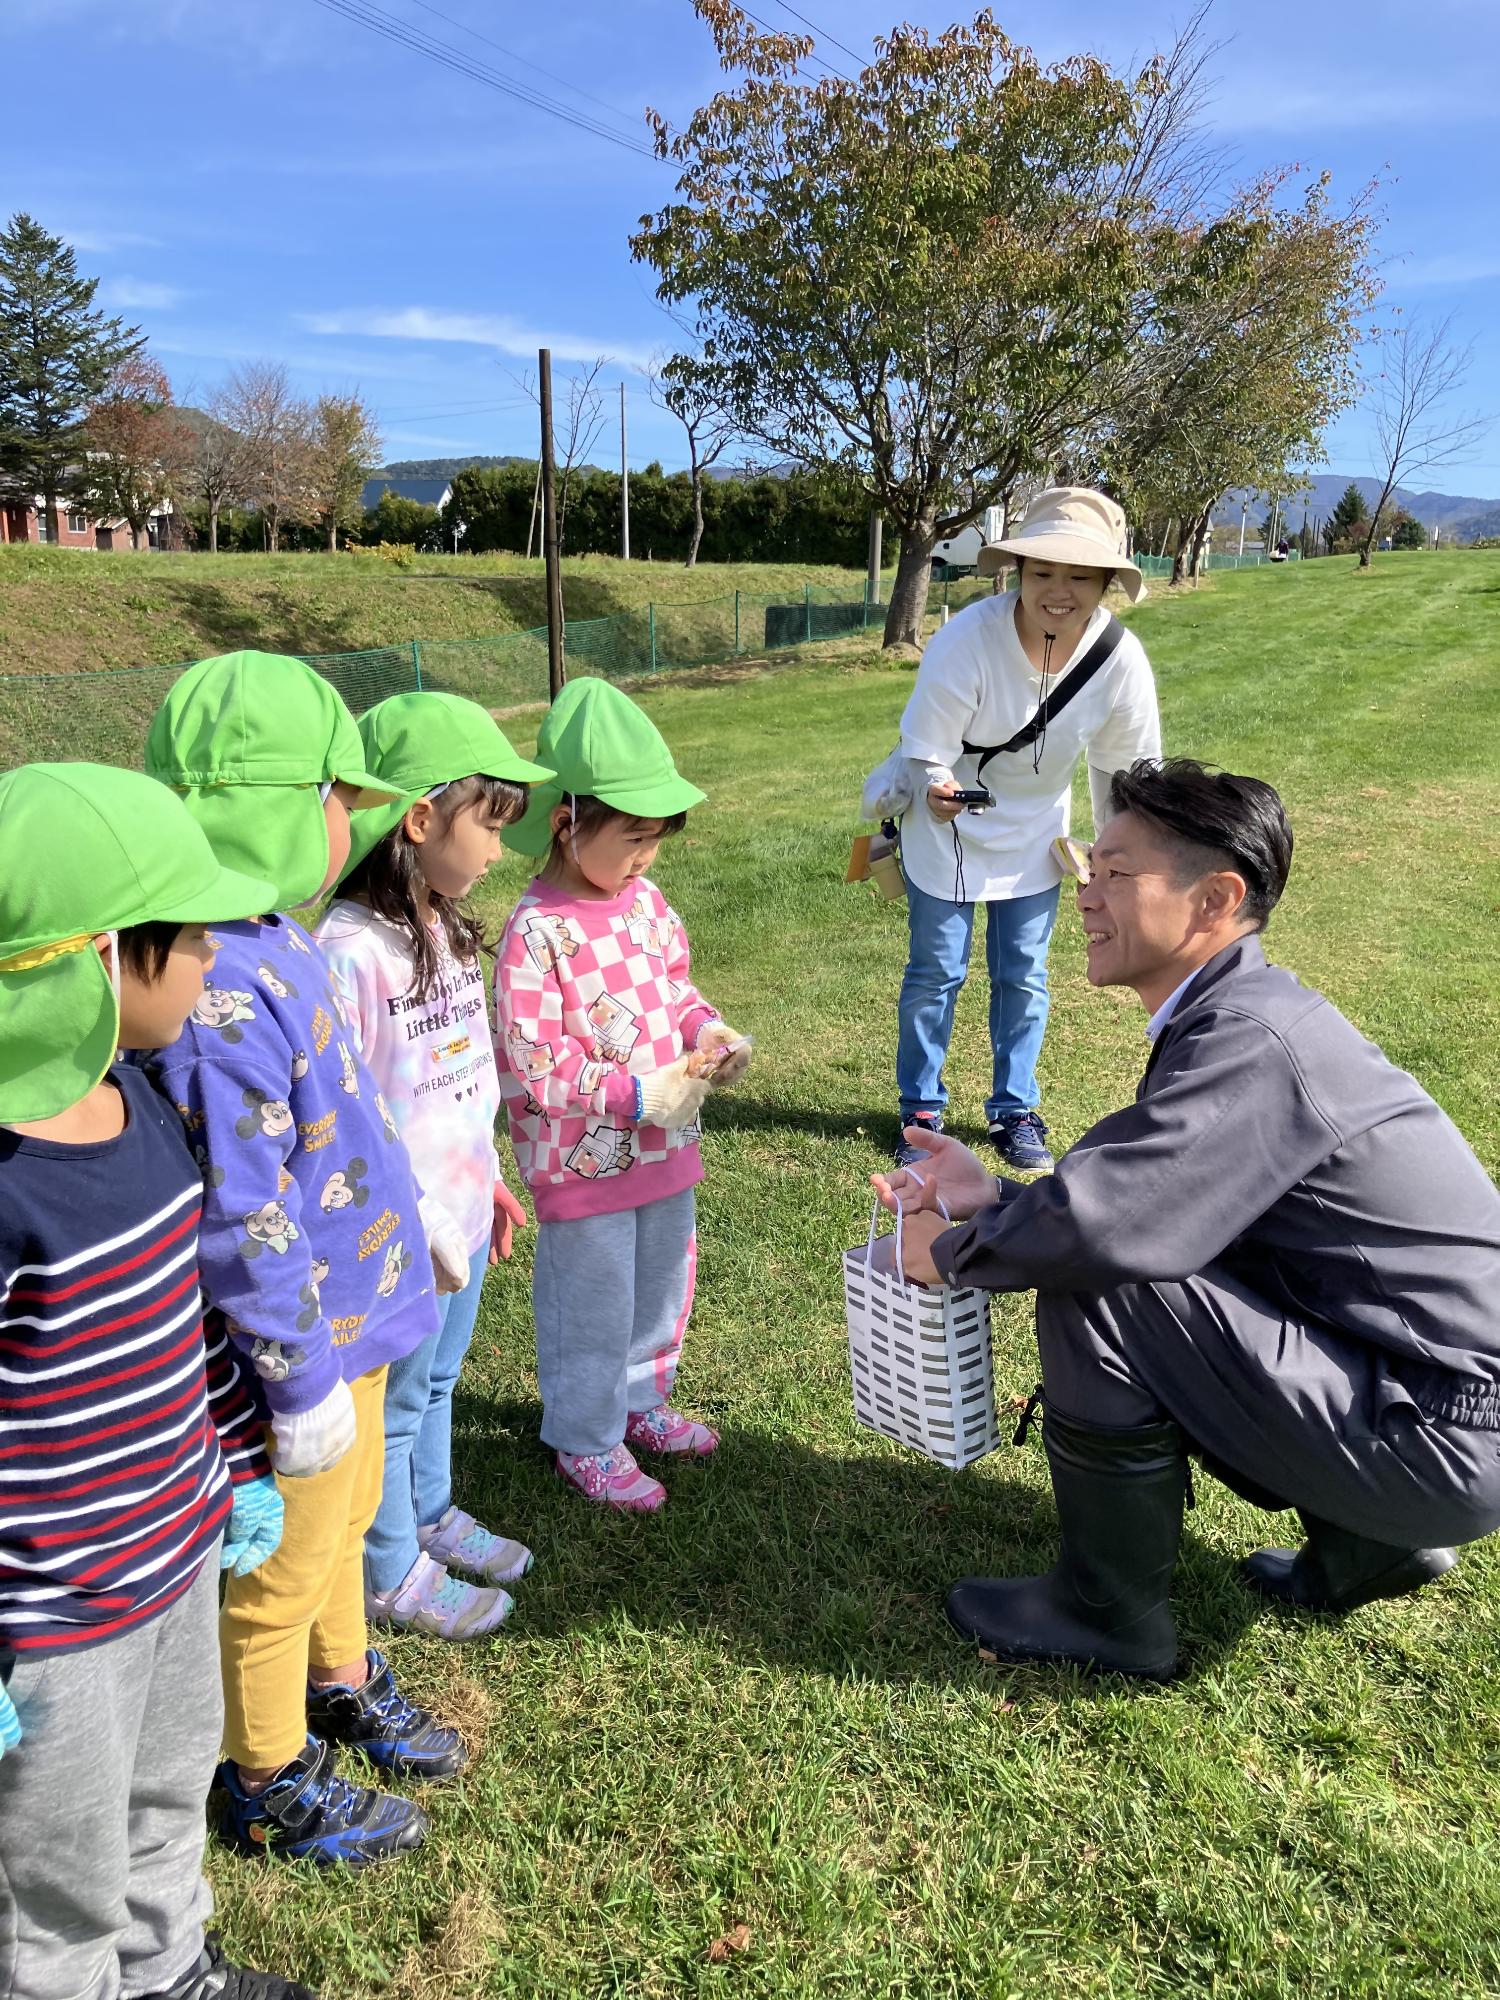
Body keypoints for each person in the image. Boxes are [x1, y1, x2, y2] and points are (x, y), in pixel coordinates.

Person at [875, 758, 1500, 1680]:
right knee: (1139, 1253)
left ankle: (1107, 1615)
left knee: (1107, 1282)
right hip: (1436, 1400)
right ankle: (1370, 1540)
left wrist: (953, 1253)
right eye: (1093, 862)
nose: (1085, 888)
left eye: (1118, 872)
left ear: (1214, 900)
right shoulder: (1246, 1015)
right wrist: (995, 1199)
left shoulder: (1251, 1040)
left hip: (1445, 1432)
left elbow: (1106, 1228)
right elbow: (1165, 1209)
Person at [140, 652, 466, 1869]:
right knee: (283, 1567)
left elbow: (347, 1114)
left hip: (365, 1311)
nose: (359, 819)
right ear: (277, 804)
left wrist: (417, 1218)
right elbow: (242, 1215)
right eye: (342, 793)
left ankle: (341, 1680)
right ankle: (266, 1772)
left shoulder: (275, 933)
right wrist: (298, 1381)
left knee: (348, 1527)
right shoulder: (210, 989)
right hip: (303, 1360)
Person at [0, 763, 315, 2000]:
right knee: (52, 1867)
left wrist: (233, 1464)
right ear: (94, 962)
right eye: (187, 936)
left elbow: (179, 1325)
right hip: (50, 1618)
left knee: (165, 1786)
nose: (209, 958)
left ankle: (167, 1966)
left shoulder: (137, 1100)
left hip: (171, 1551)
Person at [316, 692, 552, 1640]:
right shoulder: (349, 951)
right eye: (488, 823)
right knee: (397, 1399)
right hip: (397, 1233)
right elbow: (351, 1112)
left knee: (441, 1380)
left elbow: (457, 1089)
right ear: (420, 818)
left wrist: (486, 1174)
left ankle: (429, 1510)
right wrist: (412, 1213)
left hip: (459, 1211)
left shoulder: (446, 923)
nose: (500, 849)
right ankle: (388, 1569)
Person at [494, 678, 751, 1512]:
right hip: (582, 1164)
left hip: (665, 1147)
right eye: (634, 839)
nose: (646, 858)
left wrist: (705, 1032)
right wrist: (630, 1092)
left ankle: (641, 1401)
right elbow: (535, 1066)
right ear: (568, 824)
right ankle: (586, 1434)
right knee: (593, 1303)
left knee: (660, 1288)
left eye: (656, 841)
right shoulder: (537, 931)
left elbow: (674, 991)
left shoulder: (645, 905)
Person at [892, 487, 1160, 1174]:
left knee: (1025, 973)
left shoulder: (1119, 659)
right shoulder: (965, 641)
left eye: (1078, 575)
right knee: (937, 971)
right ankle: (921, 1110)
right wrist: (935, 789)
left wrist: (1117, 854)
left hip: (1037, 826)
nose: (1058, 591)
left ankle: (1014, 1109)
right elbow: (925, 746)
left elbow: (1126, 771)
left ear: (1105, 582)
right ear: (1017, 573)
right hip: (950, 819)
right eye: (1043, 571)